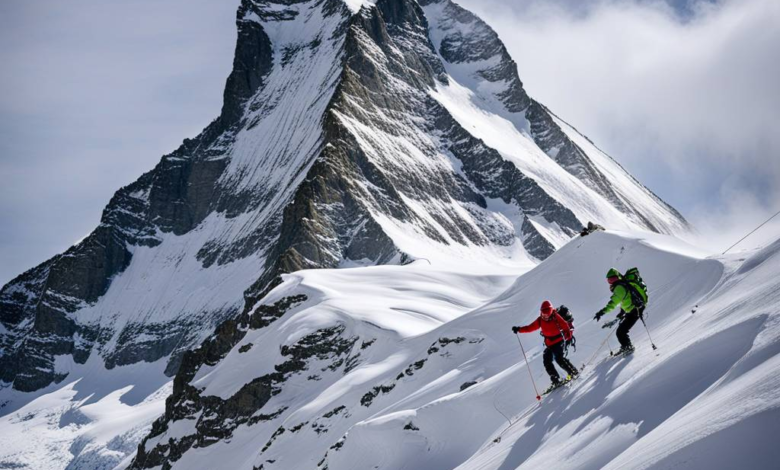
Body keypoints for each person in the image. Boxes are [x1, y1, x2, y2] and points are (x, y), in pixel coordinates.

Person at [512, 301, 578, 388]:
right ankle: (555, 379)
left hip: (559, 341)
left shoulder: (556, 317)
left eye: (547, 314)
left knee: (559, 359)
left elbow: (565, 326)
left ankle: (572, 372)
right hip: (550, 344)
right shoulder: (540, 320)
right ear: (541, 312)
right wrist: (519, 329)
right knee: (546, 360)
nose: (545, 316)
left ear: (551, 311)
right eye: (544, 314)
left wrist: (568, 339)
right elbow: (530, 328)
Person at [593, 268, 646, 355]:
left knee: (621, 331)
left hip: (634, 311)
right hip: (633, 310)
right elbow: (626, 300)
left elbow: (613, 303)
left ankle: (628, 347)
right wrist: (622, 311)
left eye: (613, 279)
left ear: (618, 277)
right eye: (609, 280)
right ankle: (625, 346)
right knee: (621, 331)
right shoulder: (623, 285)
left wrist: (602, 312)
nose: (611, 281)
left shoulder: (619, 287)